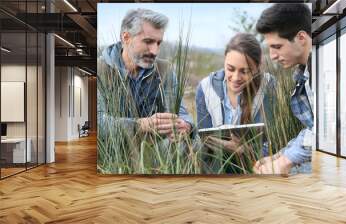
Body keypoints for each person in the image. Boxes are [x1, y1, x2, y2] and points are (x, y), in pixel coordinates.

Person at [98, 8, 193, 140]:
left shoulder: (165, 70)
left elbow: (180, 113)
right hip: (111, 151)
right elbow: (97, 123)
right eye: (148, 42)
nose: (155, 51)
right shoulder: (99, 70)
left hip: (153, 150)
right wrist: (141, 125)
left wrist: (186, 125)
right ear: (126, 37)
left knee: (192, 141)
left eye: (158, 43)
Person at [195, 33, 276, 173]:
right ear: (224, 62)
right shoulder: (205, 88)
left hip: (256, 168)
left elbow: (273, 144)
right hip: (217, 169)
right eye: (230, 69)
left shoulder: (269, 87)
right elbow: (203, 142)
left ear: (257, 67)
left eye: (245, 71)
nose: (236, 78)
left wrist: (244, 151)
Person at [253, 3, 314, 174]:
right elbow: (312, 129)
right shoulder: (302, 76)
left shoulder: (327, 69)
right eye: (270, 48)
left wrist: (284, 162)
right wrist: (279, 156)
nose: (272, 56)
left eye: (277, 47)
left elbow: (327, 133)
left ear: (301, 38)